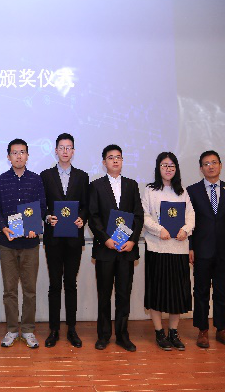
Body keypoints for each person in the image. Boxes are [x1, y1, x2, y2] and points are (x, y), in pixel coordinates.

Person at [88, 144, 144, 352]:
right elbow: (93, 216)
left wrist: (133, 241)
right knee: (104, 295)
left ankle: (122, 335)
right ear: (104, 162)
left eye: (118, 157)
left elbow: (138, 215)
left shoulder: (132, 185)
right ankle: (103, 336)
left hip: (126, 250)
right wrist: (105, 239)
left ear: (122, 161)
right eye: (110, 157)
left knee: (123, 295)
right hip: (106, 249)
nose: (115, 160)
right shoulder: (96, 186)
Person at [0, 138, 46, 349]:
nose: (18, 156)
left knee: (30, 290)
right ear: (9, 157)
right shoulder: (1, 180)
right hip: (8, 243)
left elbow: (42, 207)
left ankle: (28, 330)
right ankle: (12, 330)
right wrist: (3, 227)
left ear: (27, 155)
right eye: (14, 153)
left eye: (22, 152)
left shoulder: (36, 180)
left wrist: (35, 226)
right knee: (9, 290)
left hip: (30, 244)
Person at [187, 150, 225, 349]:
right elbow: (189, 222)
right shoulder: (192, 191)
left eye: (214, 162)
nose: (210, 166)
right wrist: (190, 247)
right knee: (201, 291)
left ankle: (221, 329)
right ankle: (202, 330)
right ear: (201, 168)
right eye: (206, 164)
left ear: (220, 165)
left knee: (222, 291)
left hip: (224, 250)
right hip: (201, 250)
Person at [141, 152, 194, 351]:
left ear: (176, 169)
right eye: (164, 165)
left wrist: (185, 230)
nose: (168, 169)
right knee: (157, 291)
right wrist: (159, 229)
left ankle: (173, 332)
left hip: (178, 249)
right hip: (157, 248)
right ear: (158, 168)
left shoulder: (183, 192)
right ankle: (159, 332)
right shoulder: (150, 190)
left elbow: (191, 215)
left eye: (172, 165)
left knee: (177, 293)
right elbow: (144, 215)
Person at [40, 133, 89, 348]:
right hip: (53, 238)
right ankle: (53, 330)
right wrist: (47, 216)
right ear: (56, 151)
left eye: (69, 148)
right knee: (54, 284)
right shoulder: (45, 176)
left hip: (73, 239)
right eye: (62, 147)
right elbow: (41, 205)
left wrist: (82, 218)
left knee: (70, 283)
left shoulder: (82, 176)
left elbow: (86, 206)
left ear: (73, 151)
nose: (65, 151)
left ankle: (71, 329)